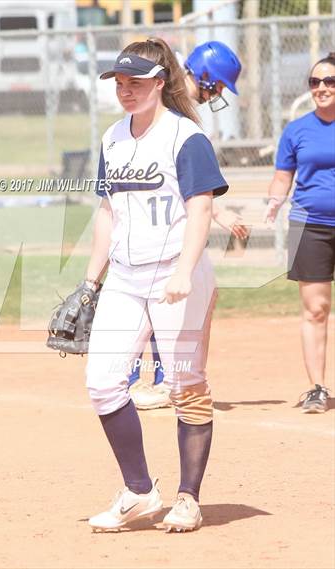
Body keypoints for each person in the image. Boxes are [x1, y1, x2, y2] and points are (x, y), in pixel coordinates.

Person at [84, 37, 229, 532]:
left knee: (186, 385)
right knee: (103, 384)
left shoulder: (185, 137)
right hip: (125, 277)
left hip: (176, 274)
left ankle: (188, 498)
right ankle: (140, 491)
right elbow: (107, 212)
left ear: (161, 83)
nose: (126, 91)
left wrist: (185, 270)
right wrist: (90, 282)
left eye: (137, 82)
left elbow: (201, 208)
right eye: (120, 83)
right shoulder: (112, 139)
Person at [129, 41, 247, 411]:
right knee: (158, 304)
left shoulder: (179, 112)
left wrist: (219, 213)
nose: (220, 94)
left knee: (168, 303)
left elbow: (190, 183)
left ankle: (162, 380)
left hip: (164, 221)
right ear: (207, 76)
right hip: (155, 225)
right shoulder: (176, 114)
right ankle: (139, 381)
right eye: (221, 85)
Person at [264, 52, 335, 414]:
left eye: (329, 81)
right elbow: (282, 176)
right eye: (314, 82)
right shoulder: (296, 131)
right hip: (310, 225)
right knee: (316, 310)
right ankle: (317, 388)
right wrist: (274, 202)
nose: (321, 88)